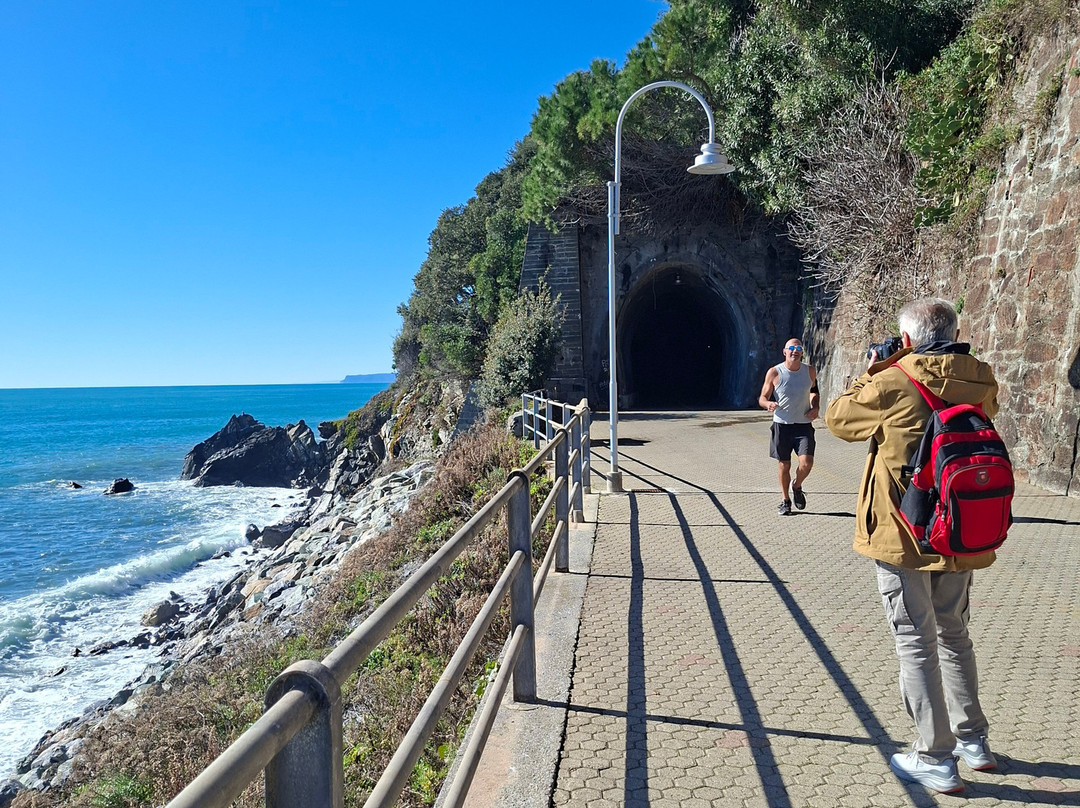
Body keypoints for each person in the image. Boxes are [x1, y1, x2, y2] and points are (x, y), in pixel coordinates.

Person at [825, 298, 1000, 794]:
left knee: (915, 643)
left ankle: (935, 758)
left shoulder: (893, 379)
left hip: (904, 534)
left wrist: (878, 366)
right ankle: (974, 743)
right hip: (961, 529)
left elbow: (839, 419)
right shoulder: (981, 377)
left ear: (906, 340)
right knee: (955, 636)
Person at [758, 338, 819, 515]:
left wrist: (815, 407)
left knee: (806, 463)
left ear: (802, 352)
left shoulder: (810, 371)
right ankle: (785, 501)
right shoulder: (775, 372)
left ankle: (797, 486)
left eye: (798, 348)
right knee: (784, 465)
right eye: (791, 348)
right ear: (785, 351)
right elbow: (762, 397)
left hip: (803, 425)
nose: (795, 351)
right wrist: (767, 404)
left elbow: (814, 391)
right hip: (782, 425)